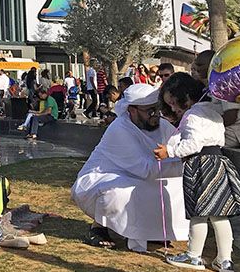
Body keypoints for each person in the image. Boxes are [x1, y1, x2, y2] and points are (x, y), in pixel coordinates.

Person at [72, 84, 188, 252]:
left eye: (157, 109)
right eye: (149, 111)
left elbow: (180, 146)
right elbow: (146, 169)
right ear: (132, 111)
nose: (155, 115)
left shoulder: (161, 125)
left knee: (176, 185)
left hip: (146, 174)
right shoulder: (119, 128)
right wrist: (182, 166)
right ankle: (98, 227)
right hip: (104, 177)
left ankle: (153, 232)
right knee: (121, 191)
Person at [155, 74, 240, 272]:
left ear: (186, 97)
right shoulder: (213, 111)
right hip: (219, 162)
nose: (173, 109)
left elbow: (194, 144)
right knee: (220, 216)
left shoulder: (193, 115)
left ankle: (193, 255)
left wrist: (169, 152)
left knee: (198, 214)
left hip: (201, 165)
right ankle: (225, 260)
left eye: (173, 103)